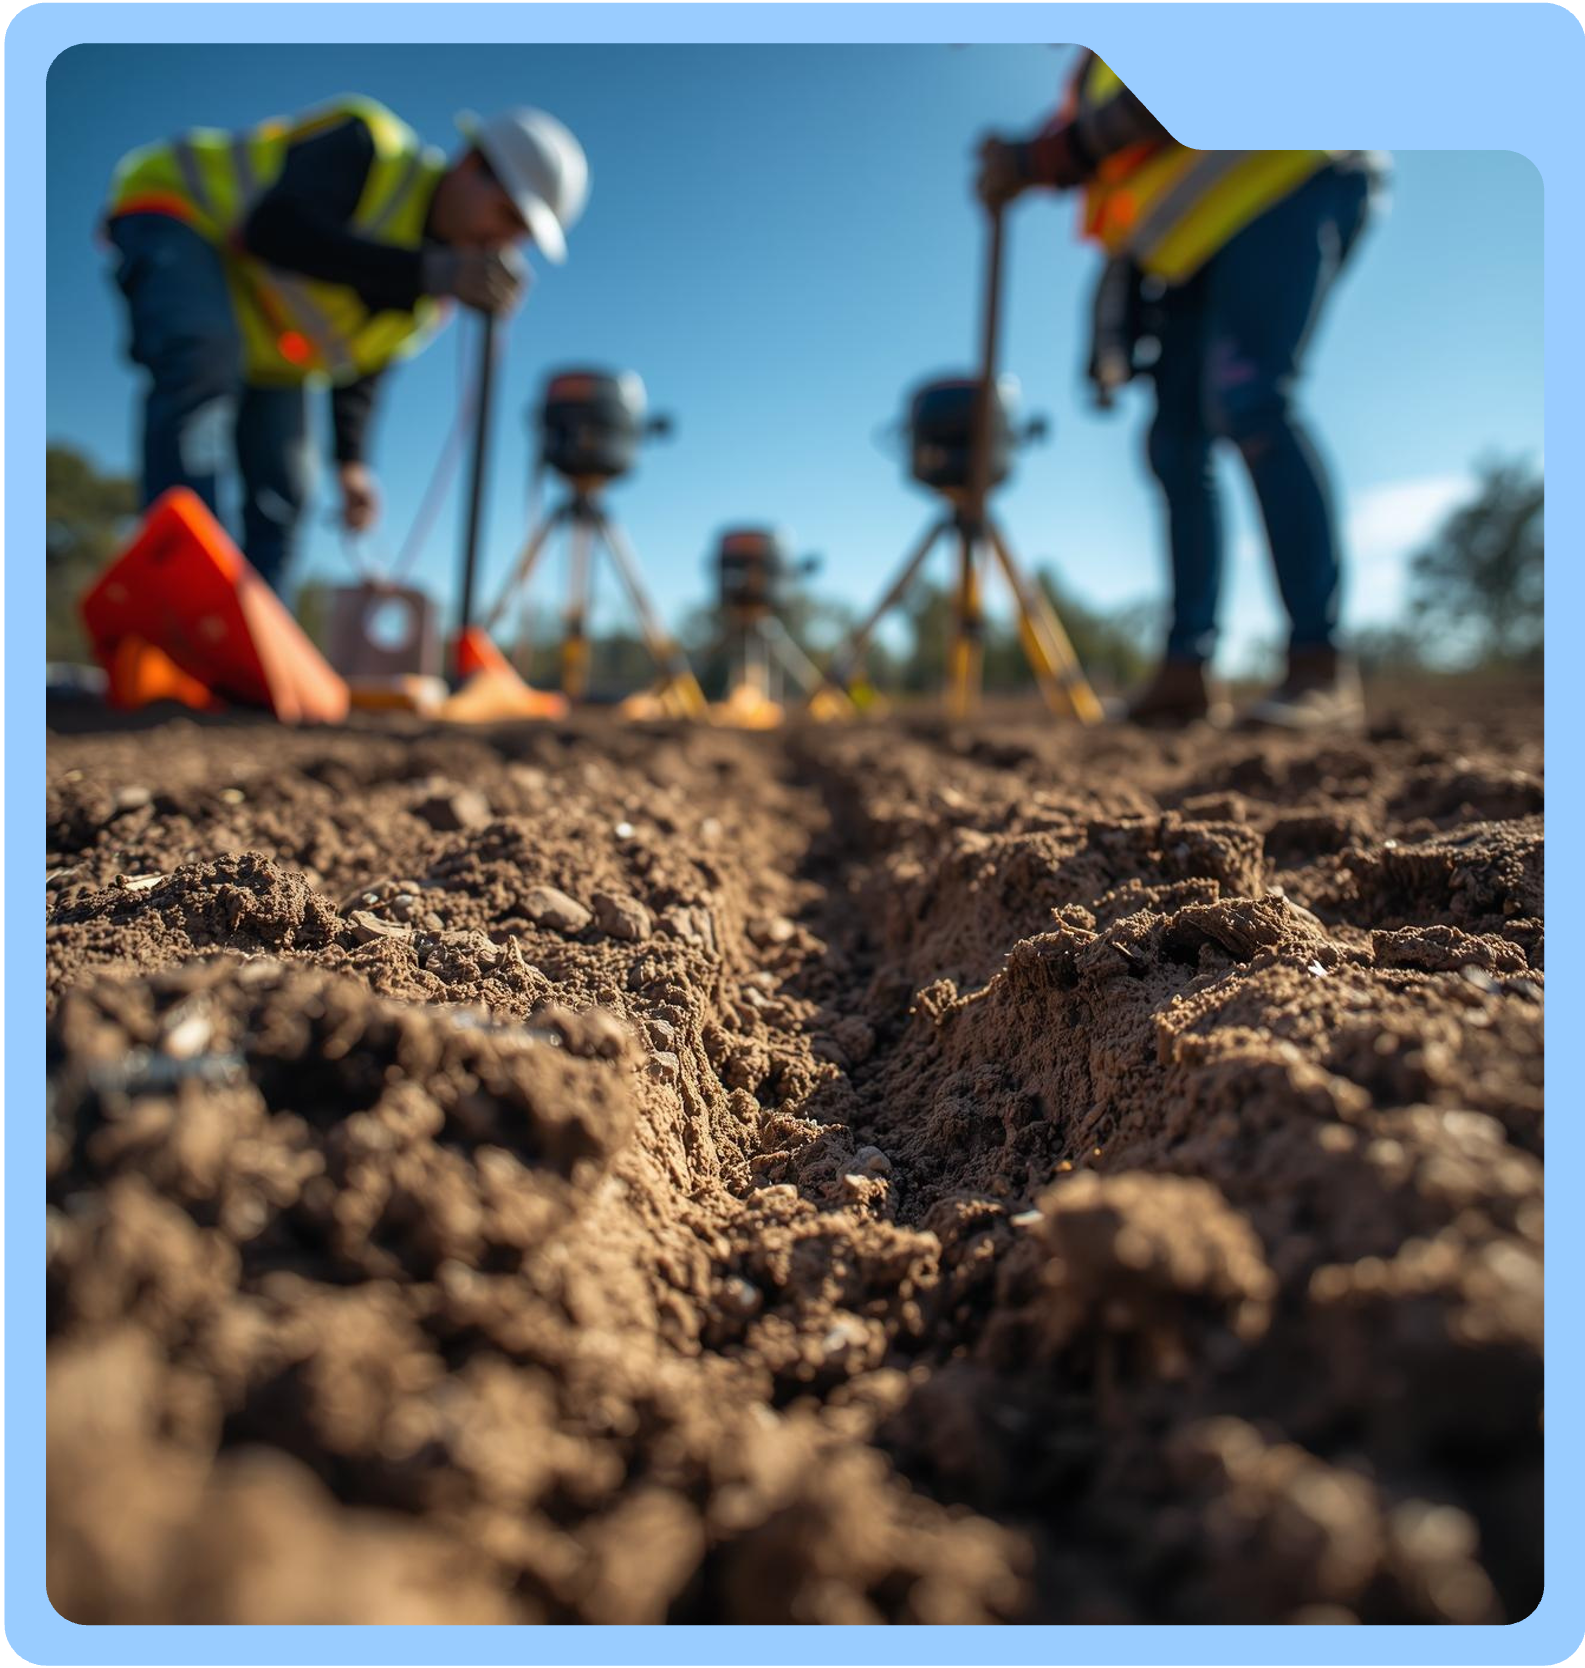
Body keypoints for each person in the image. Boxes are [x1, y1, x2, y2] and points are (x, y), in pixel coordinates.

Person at [977, 52, 1388, 729]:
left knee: (1251, 402)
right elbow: (1105, 171)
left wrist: (1042, 157)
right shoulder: (1086, 77)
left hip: (1281, 175)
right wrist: (1029, 165)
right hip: (1183, 255)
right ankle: (1184, 671)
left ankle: (1318, 664)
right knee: (1173, 448)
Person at [100, 97, 589, 592]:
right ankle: (181, 584)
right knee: (203, 360)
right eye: (506, 215)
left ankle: (254, 641)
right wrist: (428, 271)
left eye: (520, 234)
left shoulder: (430, 301)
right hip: (183, 213)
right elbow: (275, 231)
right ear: (470, 165)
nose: (502, 241)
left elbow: (363, 365)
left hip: (265, 339)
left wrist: (352, 464)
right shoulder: (369, 149)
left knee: (288, 487)